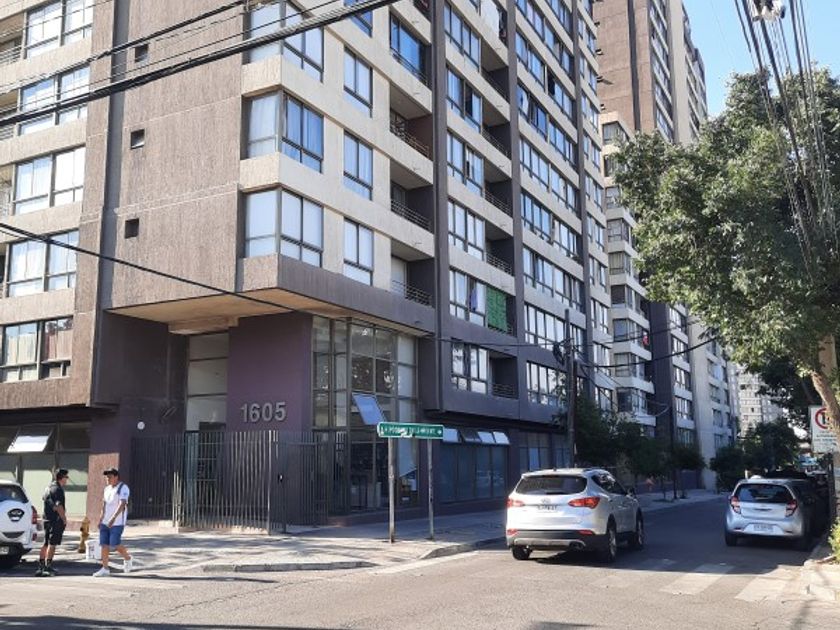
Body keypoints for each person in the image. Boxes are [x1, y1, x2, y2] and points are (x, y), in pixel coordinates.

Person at [92, 468, 133, 577]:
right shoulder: (107, 489)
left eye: (109, 477)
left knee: (114, 543)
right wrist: (101, 518)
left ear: (116, 477)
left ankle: (128, 558)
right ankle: (105, 568)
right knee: (104, 544)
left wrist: (113, 518)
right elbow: (104, 504)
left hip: (117, 522)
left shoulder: (123, 488)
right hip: (105, 522)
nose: (107, 479)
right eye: (106, 477)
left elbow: (122, 504)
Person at [36, 469, 69, 577]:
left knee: (45, 543)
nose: (67, 479)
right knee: (52, 543)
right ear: (61, 478)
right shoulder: (58, 489)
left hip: (46, 519)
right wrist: (64, 518)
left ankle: (41, 566)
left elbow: (45, 499)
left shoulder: (48, 487)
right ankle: (48, 566)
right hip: (55, 520)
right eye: (66, 477)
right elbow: (59, 506)